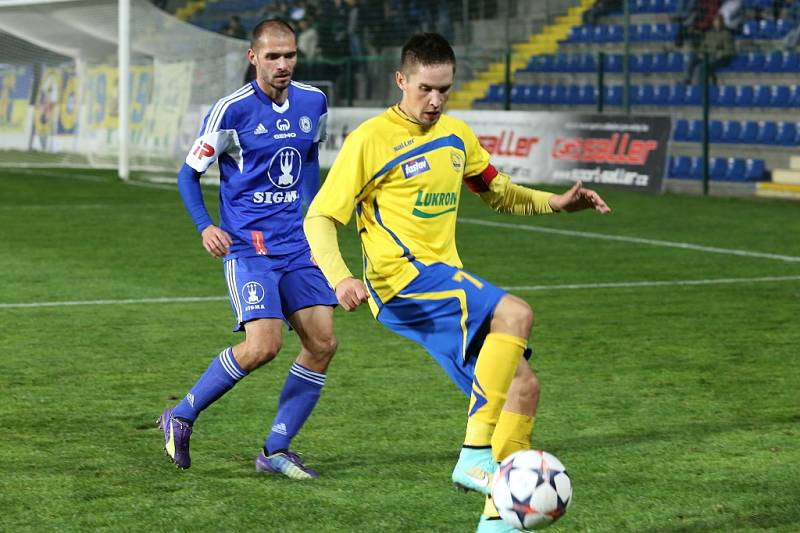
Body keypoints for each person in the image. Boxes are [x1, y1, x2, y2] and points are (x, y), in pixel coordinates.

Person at [303, 33, 610, 532]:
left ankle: (498, 522)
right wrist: (339, 279)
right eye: (425, 88)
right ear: (401, 80)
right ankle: (472, 455)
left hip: (442, 280)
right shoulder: (369, 140)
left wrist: (554, 203)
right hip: (401, 280)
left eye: (445, 90)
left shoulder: (456, 135)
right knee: (517, 312)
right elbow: (320, 218)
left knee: (522, 390)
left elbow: (498, 191)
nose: (435, 101)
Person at [158, 19, 338, 480]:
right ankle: (181, 414)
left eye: (290, 55)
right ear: (252, 57)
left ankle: (276, 449)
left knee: (322, 343)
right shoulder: (230, 111)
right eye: (273, 56)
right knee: (263, 346)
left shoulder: (313, 100)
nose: (283, 64)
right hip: (249, 246)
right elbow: (188, 174)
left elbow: (310, 155)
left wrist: (312, 215)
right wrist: (205, 226)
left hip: (296, 245)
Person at [683, 13, 735, 85]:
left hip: (718, 58)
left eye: (719, 21)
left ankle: (698, 87)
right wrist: (700, 53)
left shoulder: (726, 35)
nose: (717, 23)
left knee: (700, 68)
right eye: (716, 21)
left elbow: (729, 50)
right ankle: (687, 80)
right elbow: (703, 46)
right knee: (691, 58)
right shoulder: (709, 33)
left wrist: (718, 54)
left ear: (722, 22)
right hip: (706, 56)